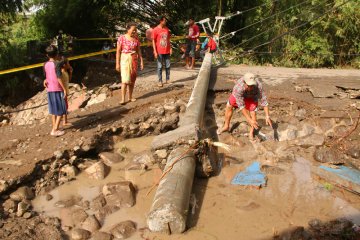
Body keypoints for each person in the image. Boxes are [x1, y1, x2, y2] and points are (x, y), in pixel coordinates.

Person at [217, 72, 273, 142]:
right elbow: (241, 106)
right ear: (244, 82)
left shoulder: (258, 86)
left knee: (253, 113)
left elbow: (264, 101)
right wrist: (249, 120)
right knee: (229, 105)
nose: (251, 87)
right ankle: (226, 126)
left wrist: (267, 116)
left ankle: (251, 133)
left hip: (252, 97)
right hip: (240, 95)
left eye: (252, 85)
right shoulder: (238, 88)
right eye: (249, 85)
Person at [115, 22, 144, 105]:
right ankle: (123, 99)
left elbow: (139, 51)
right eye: (133, 30)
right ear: (128, 29)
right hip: (125, 59)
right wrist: (117, 63)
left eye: (135, 30)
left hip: (134, 59)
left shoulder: (136, 39)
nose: (134, 32)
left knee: (132, 79)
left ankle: (130, 97)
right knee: (124, 80)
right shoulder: (122, 38)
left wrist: (141, 61)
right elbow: (118, 52)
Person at [43, 45, 67, 137]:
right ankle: (55, 130)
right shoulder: (57, 64)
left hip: (50, 89)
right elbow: (58, 77)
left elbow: (47, 76)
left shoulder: (45, 64)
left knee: (54, 110)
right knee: (61, 109)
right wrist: (64, 89)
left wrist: (44, 81)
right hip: (57, 88)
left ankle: (54, 126)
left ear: (47, 55)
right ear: (57, 54)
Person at [152, 16, 172, 87]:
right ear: (161, 21)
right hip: (159, 51)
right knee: (160, 66)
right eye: (164, 20)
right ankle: (160, 81)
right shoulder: (155, 30)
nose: (165, 21)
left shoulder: (166, 29)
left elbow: (168, 39)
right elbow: (153, 41)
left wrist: (170, 48)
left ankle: (168, 79)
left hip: (167, 50)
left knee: (168, 65)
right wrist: (155, 51)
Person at [59, 56, 73, 126]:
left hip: (65, 92)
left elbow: (68, 80)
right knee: (64, 106)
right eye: (68, 63)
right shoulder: (61, 73)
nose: (69, 64)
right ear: (64, 65)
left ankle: (65, 120)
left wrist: (70, 72)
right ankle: (64, 121)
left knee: (66, 106)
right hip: (62, 92)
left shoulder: (65, 72)